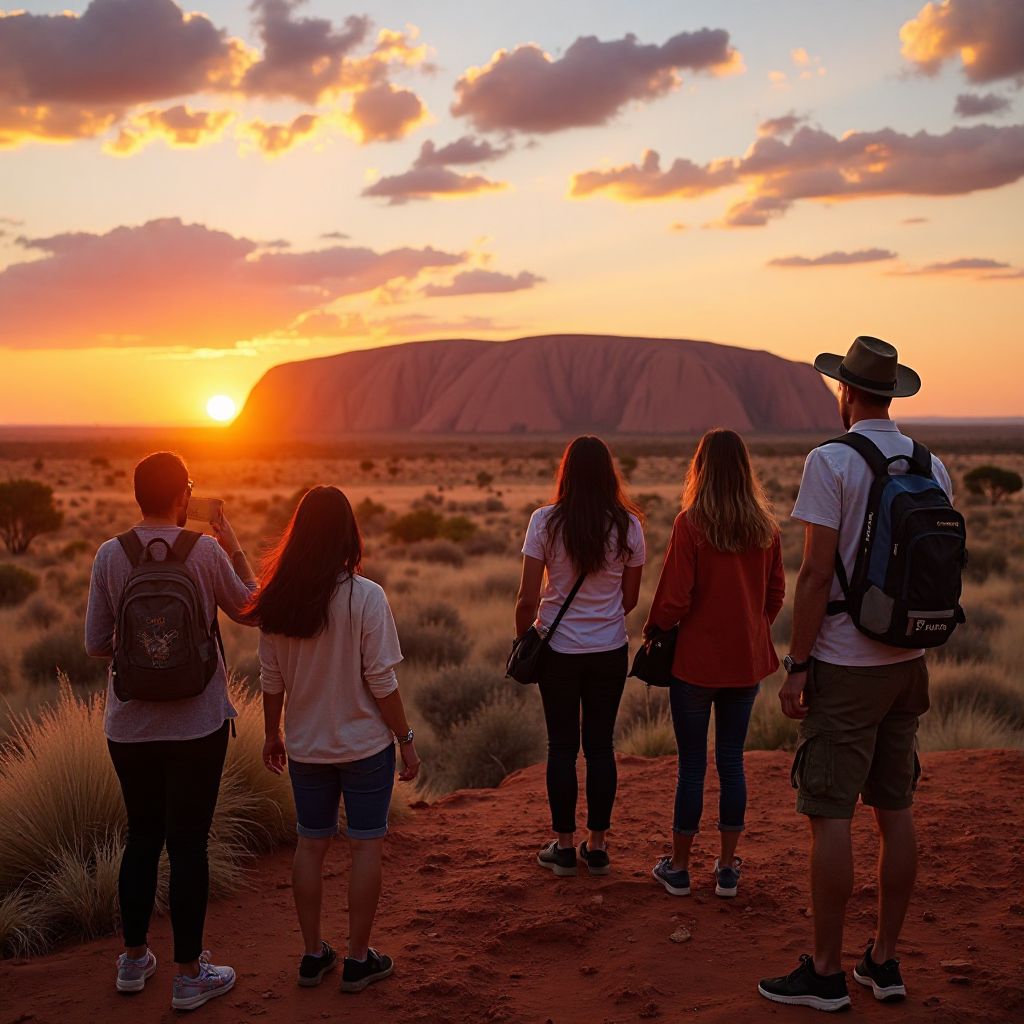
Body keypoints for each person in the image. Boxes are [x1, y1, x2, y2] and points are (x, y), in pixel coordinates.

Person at [759, 337, 953, 1012]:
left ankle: (824, 972)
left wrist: (798, 665)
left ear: (846, 392)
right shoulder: (934, 465)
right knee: (896, 810)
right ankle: (886, 961)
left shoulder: (831, 460)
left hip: (846, 663)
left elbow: (813, 573)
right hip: (909, 662)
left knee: (831, 813)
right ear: (892, 394)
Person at [85, 451, 256, 1010]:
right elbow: (251, 609)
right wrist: (230, 540)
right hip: (197, 724)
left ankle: (134, 962)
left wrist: (145, 658)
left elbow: (96, 643)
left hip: (129, 726)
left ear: (138, 496)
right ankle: (188, 976)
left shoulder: (111, 555)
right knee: (188, 844)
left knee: (141, 837)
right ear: (183, 496)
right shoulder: (204, 551)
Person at [248, 486, 420, 993]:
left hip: (306, 747)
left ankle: (310, 955)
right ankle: (357, 959)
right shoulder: (366, 597)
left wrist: (271, 733)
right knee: (366, 848)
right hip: (364, 747)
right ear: (348, 533)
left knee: (311, 843)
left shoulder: (277, 600)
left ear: (297, 535)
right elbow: (382, 683)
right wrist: (405, 739)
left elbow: (269, 678)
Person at [645, 428, 785, 900]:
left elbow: (675, 598)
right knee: (732, 761)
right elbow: (776, 593)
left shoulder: (691, 524)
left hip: (696, 665)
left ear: (701, 468)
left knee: (691, 766)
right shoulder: (765, 527)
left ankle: (680, 870)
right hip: (744, 663)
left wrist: (654, 630)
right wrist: (750, 625)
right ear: (744, 470)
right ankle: (726, 869)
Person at [515, 435, 645, 877]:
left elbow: (525, 599)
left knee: (562, 748)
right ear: (608, 473)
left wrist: (524, 641)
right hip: (609, 650)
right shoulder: (628, 525)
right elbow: (629, 599)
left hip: (557, 651)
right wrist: (601, 617)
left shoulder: (544, 521)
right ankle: (599, 846)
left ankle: (565, 848)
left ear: (566, 472)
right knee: (601, 747)